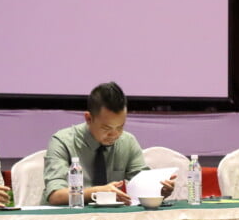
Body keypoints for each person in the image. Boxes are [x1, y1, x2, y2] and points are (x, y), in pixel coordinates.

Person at [43, 82, 174, 205]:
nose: (115, 135)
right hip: (67, 217)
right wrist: (97, 192)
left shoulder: (128, 142)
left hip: (113, 218)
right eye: (106, 128)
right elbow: (55, 195)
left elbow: (141, 185)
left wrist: (158, 190)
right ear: (88, 118)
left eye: (120, 127)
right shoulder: (63, 142)